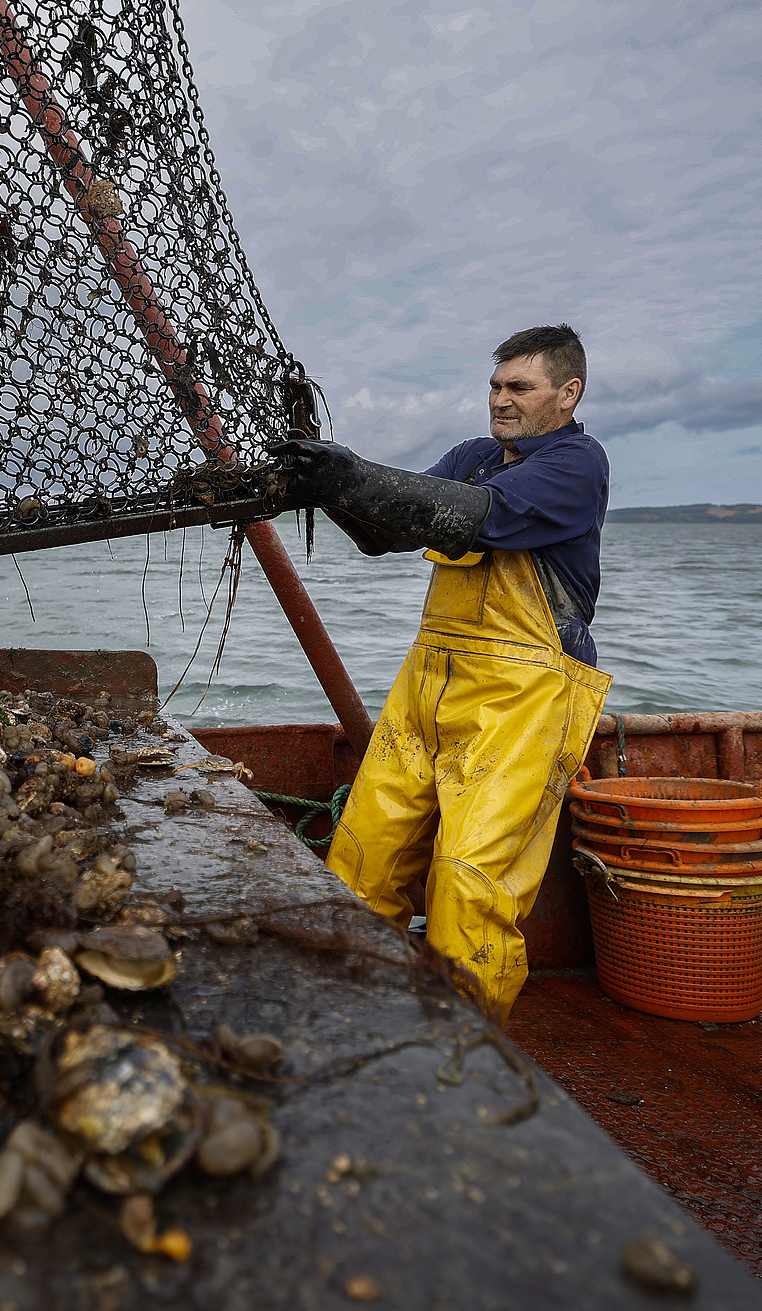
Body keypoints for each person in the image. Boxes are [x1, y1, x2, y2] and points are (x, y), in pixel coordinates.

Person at [267, 324, 611, 1018]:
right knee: (363, 860)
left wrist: (356, 471)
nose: (501, 399)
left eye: (520, 386)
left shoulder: (577, 464)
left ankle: (466, 1063)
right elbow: (386, 530)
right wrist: (328, 483)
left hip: (522, 705)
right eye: (495, 385)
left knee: (470, 887)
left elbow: (476, 518)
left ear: (568, 393)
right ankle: (350, 1022)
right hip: (428, 688)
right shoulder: (475, 456)